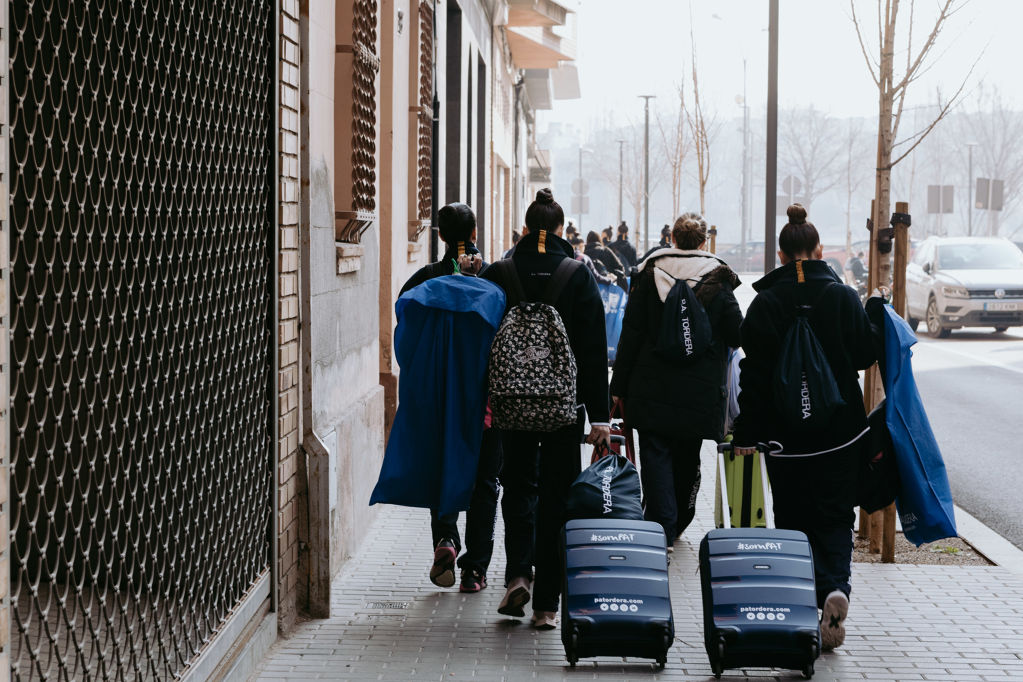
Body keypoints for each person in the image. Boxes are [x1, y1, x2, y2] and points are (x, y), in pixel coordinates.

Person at [731, 204, 881, 651]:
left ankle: (804, 604)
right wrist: (873, 306)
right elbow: (862, 355)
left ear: (780, 256)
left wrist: (746, 435)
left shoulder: (765, 303)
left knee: (792, 520)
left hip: (785, 440)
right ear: (818, 252)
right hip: (840, 435)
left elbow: (753, 378)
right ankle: (835, 587)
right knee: (835, 516)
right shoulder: (840, 296)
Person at [481, 188, 611, 630]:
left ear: (524, 228)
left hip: (512, 405)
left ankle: (518, 572)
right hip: (563, 408)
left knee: (517, 485)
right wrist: (600, 418)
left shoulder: (501, 271)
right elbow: (593, 351)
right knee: (557, 494)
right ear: (559, 230)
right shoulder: (578, 273)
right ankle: (547, 606)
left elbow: (484, 344)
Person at [610, 216, 742, 548]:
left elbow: (632, 334)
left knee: (655, 454)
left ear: (671, 236)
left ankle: (662, 527)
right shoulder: (719, 275)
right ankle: (678, 520)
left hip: (650, 385)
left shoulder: (648, 272)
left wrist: (617, 388)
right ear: (703, 241)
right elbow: (736, 333)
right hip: (699, 389)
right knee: (687, 455)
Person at [398, 202, 503, 594]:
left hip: (440, 402)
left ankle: (445, 538)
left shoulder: (423, 281)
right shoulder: (495, 280)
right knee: (485, 482)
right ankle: (475, 569)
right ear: (474, 234)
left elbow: (405, 335)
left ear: (440, 235)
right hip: (485, 406)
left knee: (443, 468)